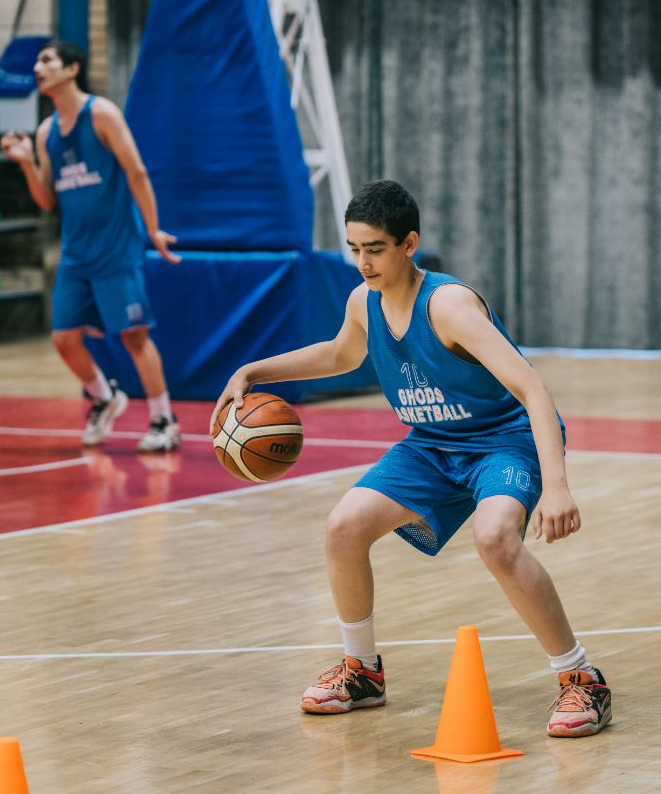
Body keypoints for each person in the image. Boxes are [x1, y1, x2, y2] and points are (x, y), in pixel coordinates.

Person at [211, 180, 610, 738]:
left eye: (375, 249)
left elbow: (533, 390)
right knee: (343, 526)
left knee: (496, 539)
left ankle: (581, 679)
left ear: (409, 244)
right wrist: (254, 371)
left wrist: (558, 485)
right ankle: (362, 672)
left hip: (502, 439)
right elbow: (339, 354)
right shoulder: (363, 301)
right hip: (432, 444)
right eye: (355, 249)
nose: (363, 263)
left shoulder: (449, 306)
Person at [0, 41, 183, 453]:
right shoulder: (46, 133)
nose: (38, 67)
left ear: (72, 69)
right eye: (37, 61)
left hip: (116, 249)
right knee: (63, 339)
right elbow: (47, 200)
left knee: (134, 337)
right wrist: (26, 162)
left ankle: (163, 420)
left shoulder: (101, 114)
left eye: (47, 60)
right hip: (76, 253)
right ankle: (104, 397)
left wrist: (153, 229)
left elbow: (137, 172)